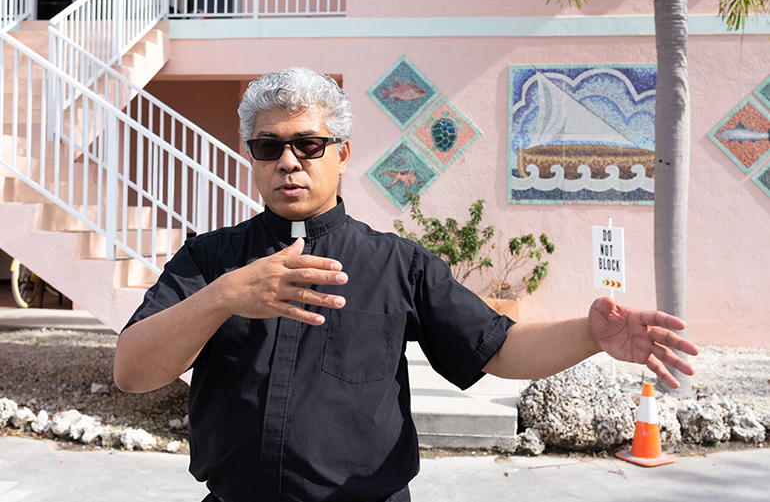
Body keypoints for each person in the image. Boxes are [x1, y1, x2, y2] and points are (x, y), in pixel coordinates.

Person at [114, 67, 699, 502]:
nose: (288, 161)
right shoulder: (210, 259)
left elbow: (496, 347)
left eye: (308, 145)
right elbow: (132, 370)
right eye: (269, 146)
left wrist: (591, 334)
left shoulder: (396, 263)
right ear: (253, 157)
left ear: (340, 154)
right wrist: (226, 296)